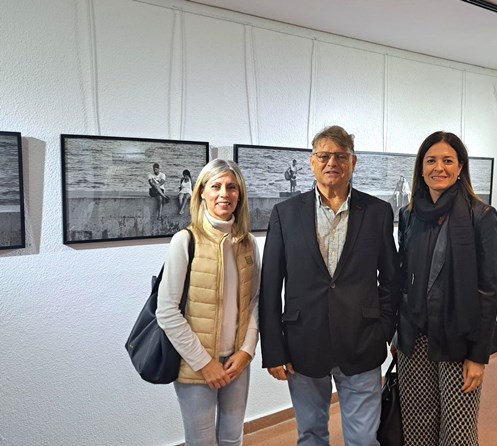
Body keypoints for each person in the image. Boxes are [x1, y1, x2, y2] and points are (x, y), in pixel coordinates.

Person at [260, 125, 400, 446]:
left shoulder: (377, 212)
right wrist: (273, 349)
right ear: (312, 162)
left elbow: (391, 280)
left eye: (340, 156)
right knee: (310, 434)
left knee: (364, 439)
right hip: (302, 344)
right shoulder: (286, 214)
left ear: (354, 162)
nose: (331, 162)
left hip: (362, 342)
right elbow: (270, 286)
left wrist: (383, 328)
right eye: (323, 155)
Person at [394, 131, 497, 446]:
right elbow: (403, 278)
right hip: (414, 341)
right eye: (431, 160)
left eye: (447, 160)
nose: (438, 167)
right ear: (421, 167)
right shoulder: (409, 215)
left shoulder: (481, 217)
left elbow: (488, 291)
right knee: (417, 430)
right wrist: (397, 334)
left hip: (459, 341)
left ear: (460, 167)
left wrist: (478, 356)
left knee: (457, 434)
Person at [156, 159, 261, 446]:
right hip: (195, 364)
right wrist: (205, 364)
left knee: (232, 439)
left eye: (231, 187)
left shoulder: (248, 243)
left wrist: (246, 352)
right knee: (200, 442)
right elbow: (166, 312)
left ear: (239, 194)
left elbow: (254, 302)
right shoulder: (184, 241)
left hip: (237, 363)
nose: (224, 194)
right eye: (216, 186)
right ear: (201, 191)